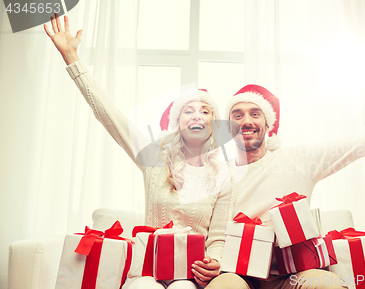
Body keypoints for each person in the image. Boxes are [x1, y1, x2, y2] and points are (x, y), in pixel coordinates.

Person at [206, 36, 365, 289]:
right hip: (238, 275)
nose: (246, 121)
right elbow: (213, 235)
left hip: (293, 275)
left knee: (324, 284)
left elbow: (360, 143)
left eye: (255, 114)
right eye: (237, 115)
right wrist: (213, 262)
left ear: (268, 123)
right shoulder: (219, 173)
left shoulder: (297, 160)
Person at [44, 14, 232, 288]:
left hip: (189, 275)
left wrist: (213, 260)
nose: (197, 116)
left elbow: (217, 237)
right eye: (188, 110)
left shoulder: (223, 176)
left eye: (205, 111)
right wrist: (72, 57)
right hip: (147, 272)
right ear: (177, 122)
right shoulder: (155, 156)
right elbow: (109, 115)